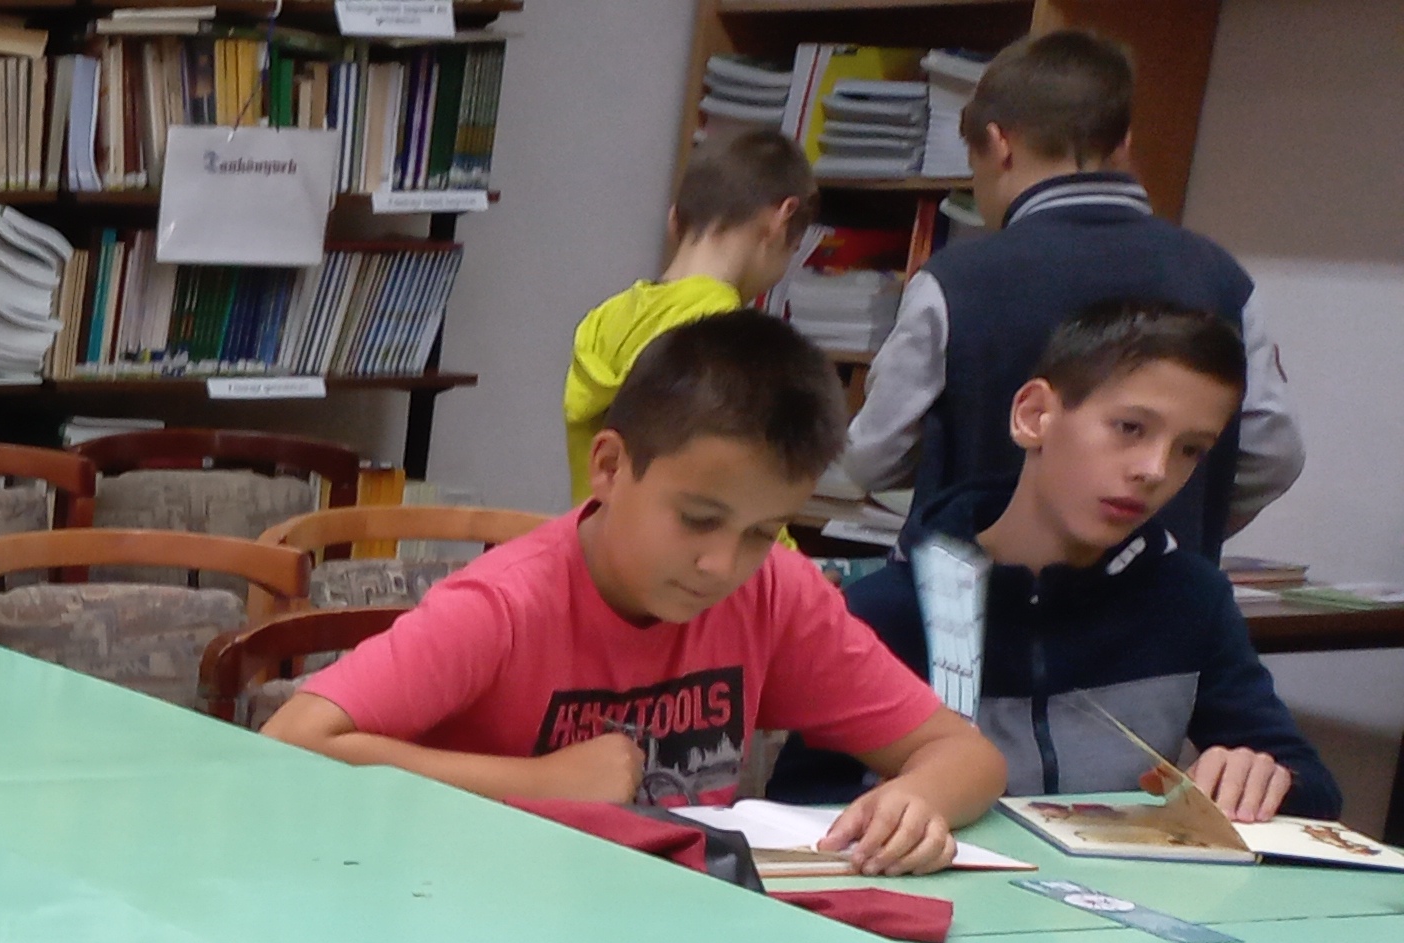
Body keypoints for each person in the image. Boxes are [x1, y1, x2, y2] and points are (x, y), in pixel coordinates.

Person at [263, 310, 1006, 874]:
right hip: (474, 916)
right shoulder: (505, 606)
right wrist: (539, 784)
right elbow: (289, 743)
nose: (721, 564)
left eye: (760, 531)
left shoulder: (774, 593)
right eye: (698, 519)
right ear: (611, 468)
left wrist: (917, 800)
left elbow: (965, 755)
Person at [777, 299, 1339, 821]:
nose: (1155, 470)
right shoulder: (887, 609)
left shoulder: (1191, 599)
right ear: (1034, 415)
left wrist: (1266, 777)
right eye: (1130, 428)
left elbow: (1313, 788)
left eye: (1189, 449)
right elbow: (795, 808)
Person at [832, 27, 1301, 551]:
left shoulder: (956, 280)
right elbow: (1274, 456)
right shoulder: (1223, 277)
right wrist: (1184, 513)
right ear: (1123, 145)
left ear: (999, 144)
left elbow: (872, 457)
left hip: (980, 585)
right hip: (1161, 585)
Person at [563, 123, 815, 501]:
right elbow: (742, 494)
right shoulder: (733, 340)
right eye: (793, 251)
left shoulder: (602, 321)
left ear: (674, 221)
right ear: (782, 219)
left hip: (597, 534)